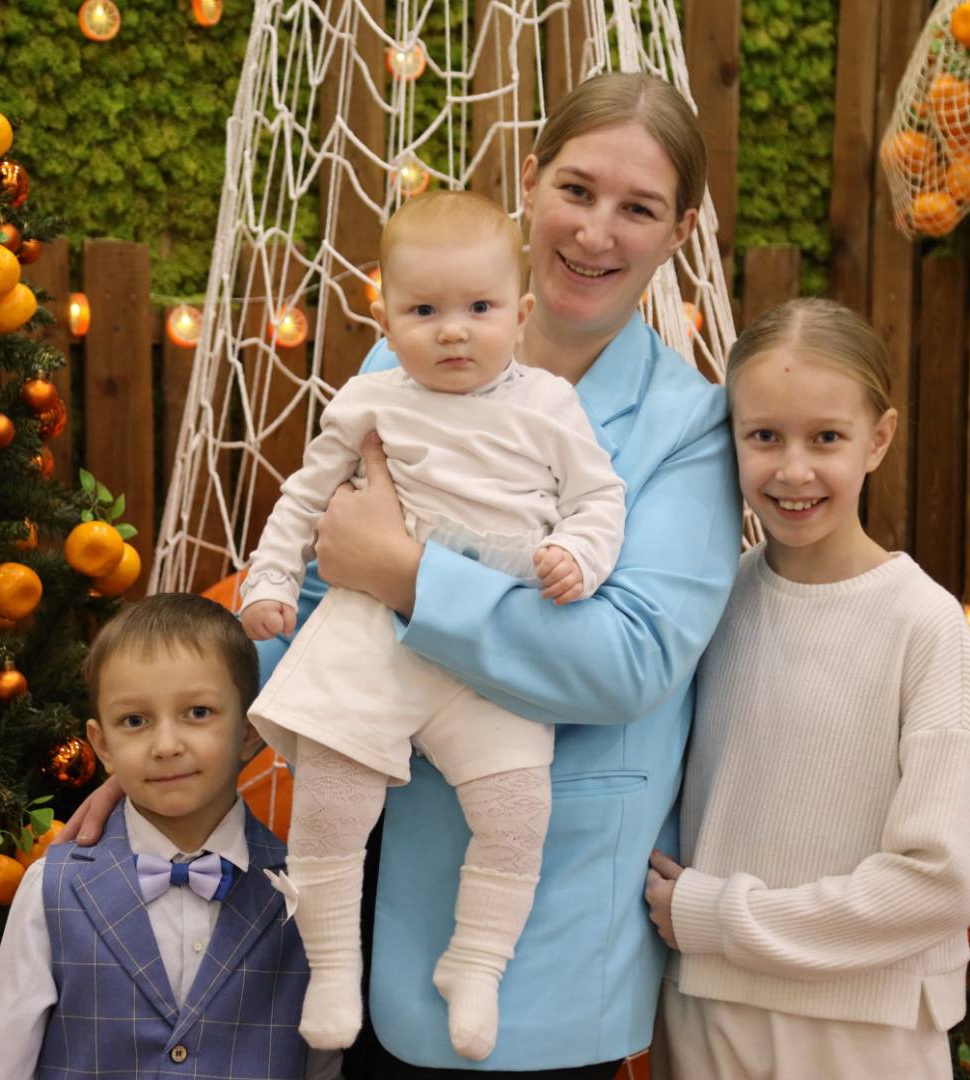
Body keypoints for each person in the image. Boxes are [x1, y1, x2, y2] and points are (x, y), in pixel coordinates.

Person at [64, 70, 743, 1077]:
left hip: (541, 933)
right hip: (361, 891)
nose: (596, 231)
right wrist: (169, 752)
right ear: (530, 180)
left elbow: (629, 662)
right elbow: (311, 606)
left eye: (638, 208)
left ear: (680, 231)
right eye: (576, 189)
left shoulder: (689, 427)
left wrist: (411, 575)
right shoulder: (397, 370)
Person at [236, 190, 627, 1061]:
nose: (453, 331)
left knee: (518, 810)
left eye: (479, 308)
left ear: (520, 314)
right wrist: (270, 579)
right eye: (423, 311)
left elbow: (600, 499)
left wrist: (578, 553)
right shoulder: (370, 399)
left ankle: (476, 963)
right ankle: (332, 966)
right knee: (332, 796)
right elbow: (303, 499)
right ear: (384, 318)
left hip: (493, 642)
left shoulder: (550, 404)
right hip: (373, 629)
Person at [644, 299, 970, 1079]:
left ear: (879, 439)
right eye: (764, 436)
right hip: (704, 1018)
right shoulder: (709, 602)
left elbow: (943, 883)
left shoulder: (924, 625)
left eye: (826, 438)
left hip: (863, 1035)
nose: (793, 470)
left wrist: (720, 916)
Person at [0, 593, 341, 1080]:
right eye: (135, 721)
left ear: (250, 731)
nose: (166, 746)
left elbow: (322, 1066)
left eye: (198, 712)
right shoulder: (50, 890)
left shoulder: (305, 895)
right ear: (103, 745)